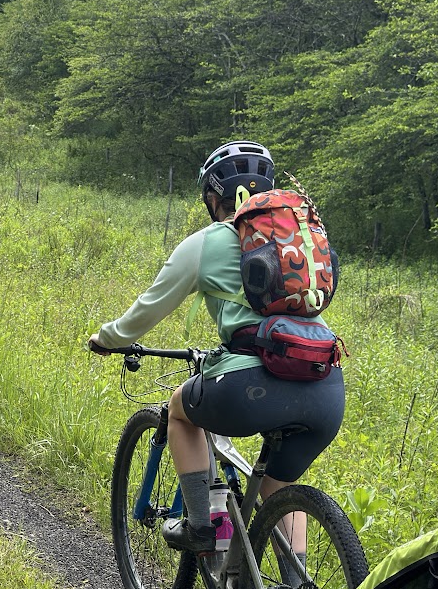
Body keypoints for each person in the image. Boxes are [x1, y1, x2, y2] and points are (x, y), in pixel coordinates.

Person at [87, 140, 346, 554]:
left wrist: (107, 339)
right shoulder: (297, 245)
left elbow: (148, 308)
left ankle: (203, 530)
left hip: (251, 384)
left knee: (179, 410)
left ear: (213, 197)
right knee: (280, 487)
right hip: (326, 387)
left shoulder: (209, 241)